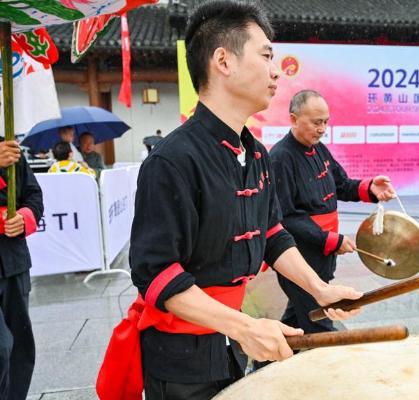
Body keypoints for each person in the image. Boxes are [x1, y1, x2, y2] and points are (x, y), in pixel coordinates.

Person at [96, 2, 362, 400]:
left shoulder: (256, 155)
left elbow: (273, 234)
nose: (276, 70)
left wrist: (319, 289)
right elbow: (156, 273)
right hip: (181, 358)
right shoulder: (173, 160)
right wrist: (245, 326)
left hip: (232, 343)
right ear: (223, 60)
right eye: (266, 54)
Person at [269, 90, 397, 334]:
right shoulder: (280, 158)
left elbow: (341, 184)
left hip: (323, 254)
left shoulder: (319, 149)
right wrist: (329, 239)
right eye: (316, 122)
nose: (322, 128)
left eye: (326, 122)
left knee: (296, 318)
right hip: (299, 258)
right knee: (320, 325)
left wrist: (370, 188)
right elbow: (286, 216)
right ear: (294, 119)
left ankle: (264, 363)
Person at [0, 138, 44, 400]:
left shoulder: (10, 149)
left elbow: (33, 194)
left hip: (13, 261)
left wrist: (24, 217)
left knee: (20, 347)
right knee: (1, 347)